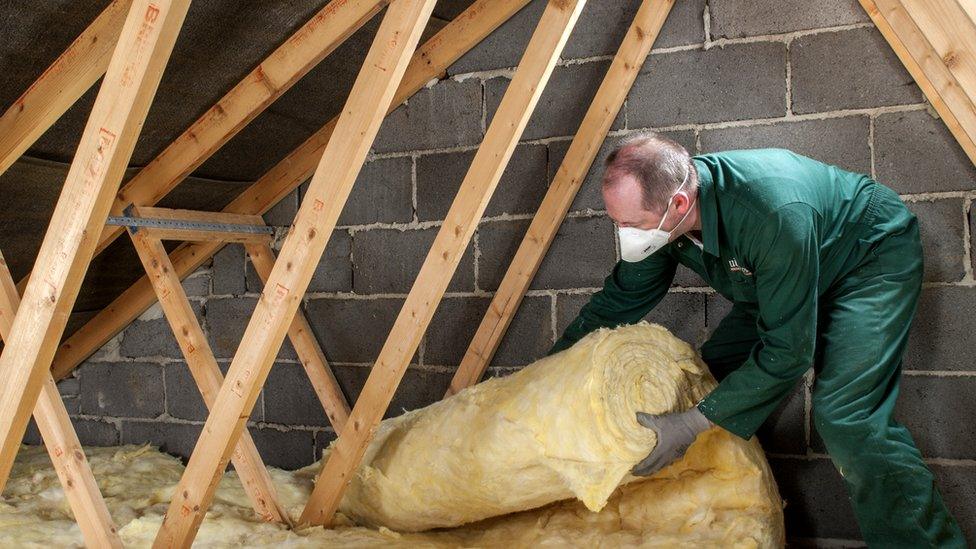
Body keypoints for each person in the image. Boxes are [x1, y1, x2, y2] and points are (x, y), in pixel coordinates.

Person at [550, 132, 965, 547]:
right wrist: (548, 371)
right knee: (704, 382)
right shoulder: (663, 215)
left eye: (630, 223)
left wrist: (695, 422)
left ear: (678, 204)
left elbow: (788, 351)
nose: (625, 233)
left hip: (864, 261)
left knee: (846, 416)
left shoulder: (770, 210)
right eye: (617, 222)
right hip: (777, 278)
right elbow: (621, 297)